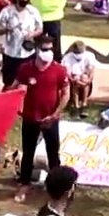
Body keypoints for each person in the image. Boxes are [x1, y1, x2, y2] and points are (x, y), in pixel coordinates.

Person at [15, 35, 68, 203]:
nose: (49, 52)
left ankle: (56, 186)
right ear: (37, 50)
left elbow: (65, 93)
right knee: (28, 152)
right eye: (45, 49)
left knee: (53, 153)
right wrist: (20, 108)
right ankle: (25, 184)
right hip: (31, 118)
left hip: (51, 119)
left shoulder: (60, 70)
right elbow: (21, 90)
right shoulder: (26, 68)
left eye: (51, 49)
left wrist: (55, 114)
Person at [0, 0, 42, 90]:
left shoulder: (33, 11)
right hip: (10, 52)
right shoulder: (7, 11)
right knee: (9, 81)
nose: (24, 0)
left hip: (27, 52)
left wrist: (32, 34)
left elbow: (40, 29)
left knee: (27, 80)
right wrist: (7, 29)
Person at [62, 40, 96, 118]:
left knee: (84, 77)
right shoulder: (67, 57)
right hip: (73, 80)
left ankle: (84, 104)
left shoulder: (90, 56)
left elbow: (91, 71)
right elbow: (67, 72)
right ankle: (76, 105)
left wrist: (88, 80)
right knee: (76, 78)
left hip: (85, 79)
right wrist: (73, 79)